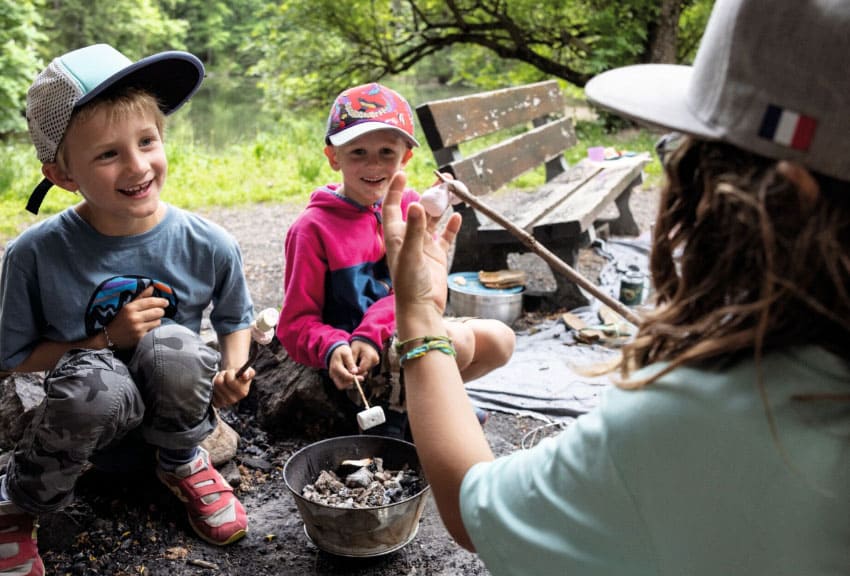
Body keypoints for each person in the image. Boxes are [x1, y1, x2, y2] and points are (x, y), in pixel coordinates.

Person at [380, 0, 850, 573]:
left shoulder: (698, 418)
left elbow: (471, 502)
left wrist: (421, 315)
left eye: (683, 156)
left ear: (784, 200)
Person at [0, 44, 257, 575]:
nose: (138, 165)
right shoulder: (34, 254)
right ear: (63, 174)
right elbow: (13, 358)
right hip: (83, 413)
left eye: (147, 141)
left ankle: (182, 460)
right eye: (108, 154)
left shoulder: (208, 241)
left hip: (171, 409)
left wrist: (232, 369)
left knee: (177, 345)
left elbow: (236, 319)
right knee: (96, 382)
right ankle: (21, 499)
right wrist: (104, 341)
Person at [277, 82, 515, 438]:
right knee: (459, 342)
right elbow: (294, 324)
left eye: (386, 152)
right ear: (333, 157)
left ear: (405, 157)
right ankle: (415, 413)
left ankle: (423, 402)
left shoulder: (409, 207)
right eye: (357, 152)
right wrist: (331, 346)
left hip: (396, 330)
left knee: (500, 340)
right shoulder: (312, 229)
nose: (373, 164)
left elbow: (416, 293)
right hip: (357, 353)